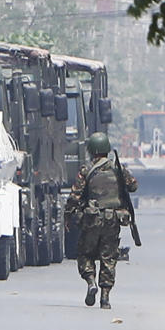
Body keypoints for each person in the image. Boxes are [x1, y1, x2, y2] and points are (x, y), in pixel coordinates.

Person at [64, 132, 138, 309]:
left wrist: (68, 215)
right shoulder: (117, 170)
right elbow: (133, 186)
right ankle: (105, 297)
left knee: (84, 254)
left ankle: (91, 282)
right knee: (108, 258)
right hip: (113, 220)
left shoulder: (86, 171)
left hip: (92, 220)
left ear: (91, 151)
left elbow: (75, 196)